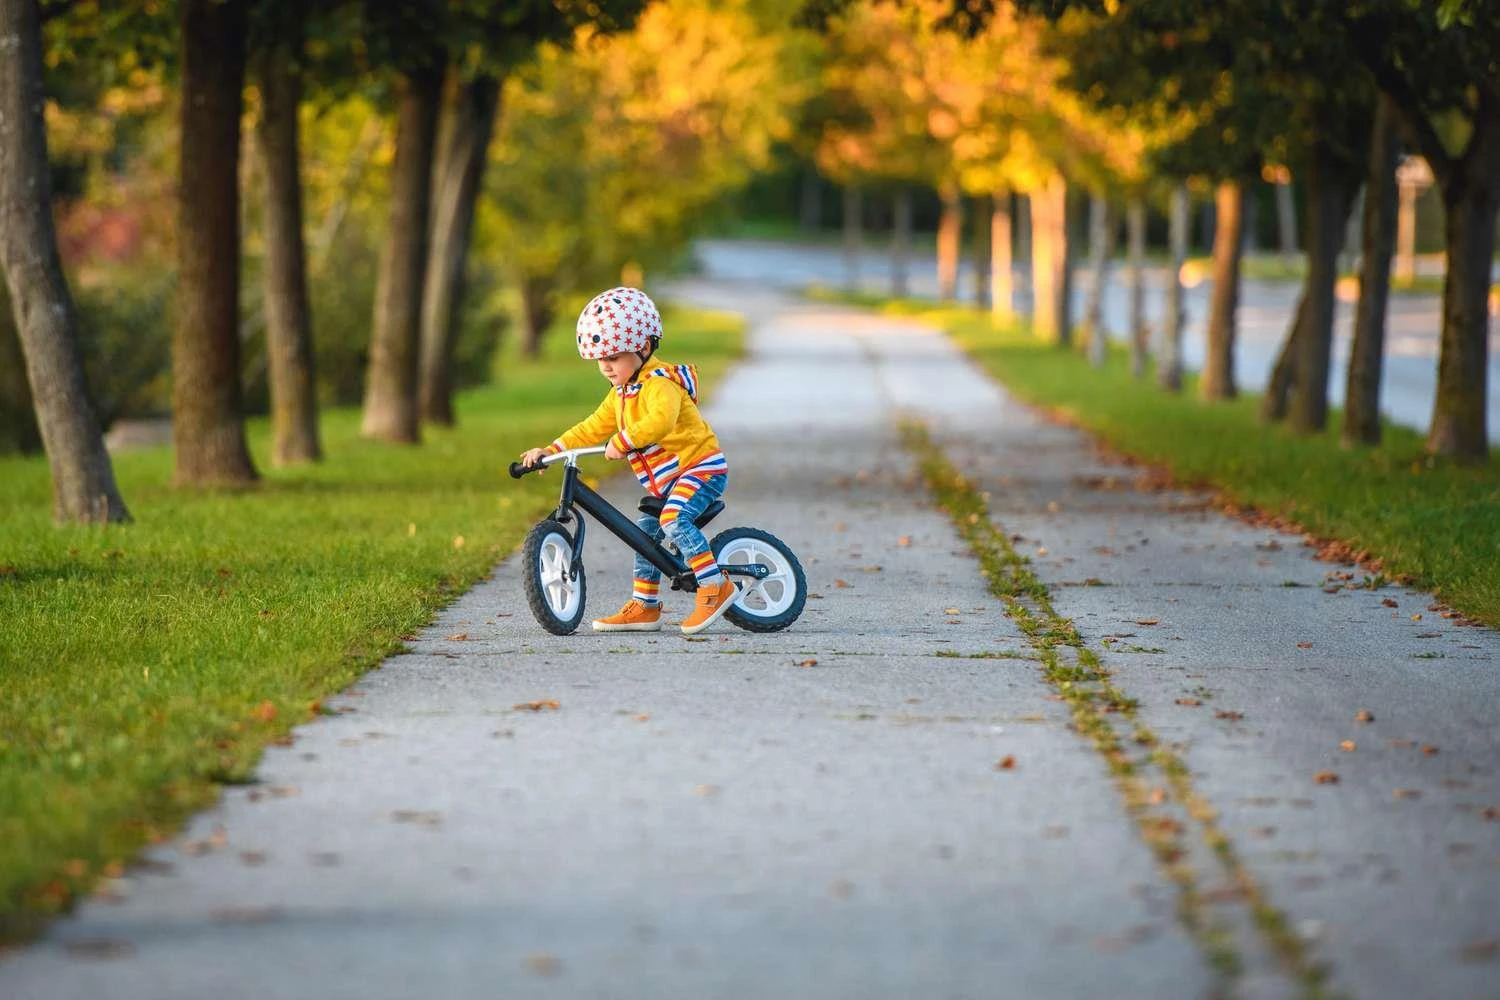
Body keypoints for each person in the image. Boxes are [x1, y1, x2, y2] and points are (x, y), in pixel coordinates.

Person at [519, 286, 735, 636]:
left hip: (699, 467)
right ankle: (645, 605)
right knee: (643, 534)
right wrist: (551, 450)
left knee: (675, 521)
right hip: (667, 481)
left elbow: (660, 421)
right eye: (601, 360)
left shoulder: (660, 385)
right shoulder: (620, 394)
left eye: (614, 357)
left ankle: (714, 586)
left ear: (644, 347)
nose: (606, 367)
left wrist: (624, 440)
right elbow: (591, 427)